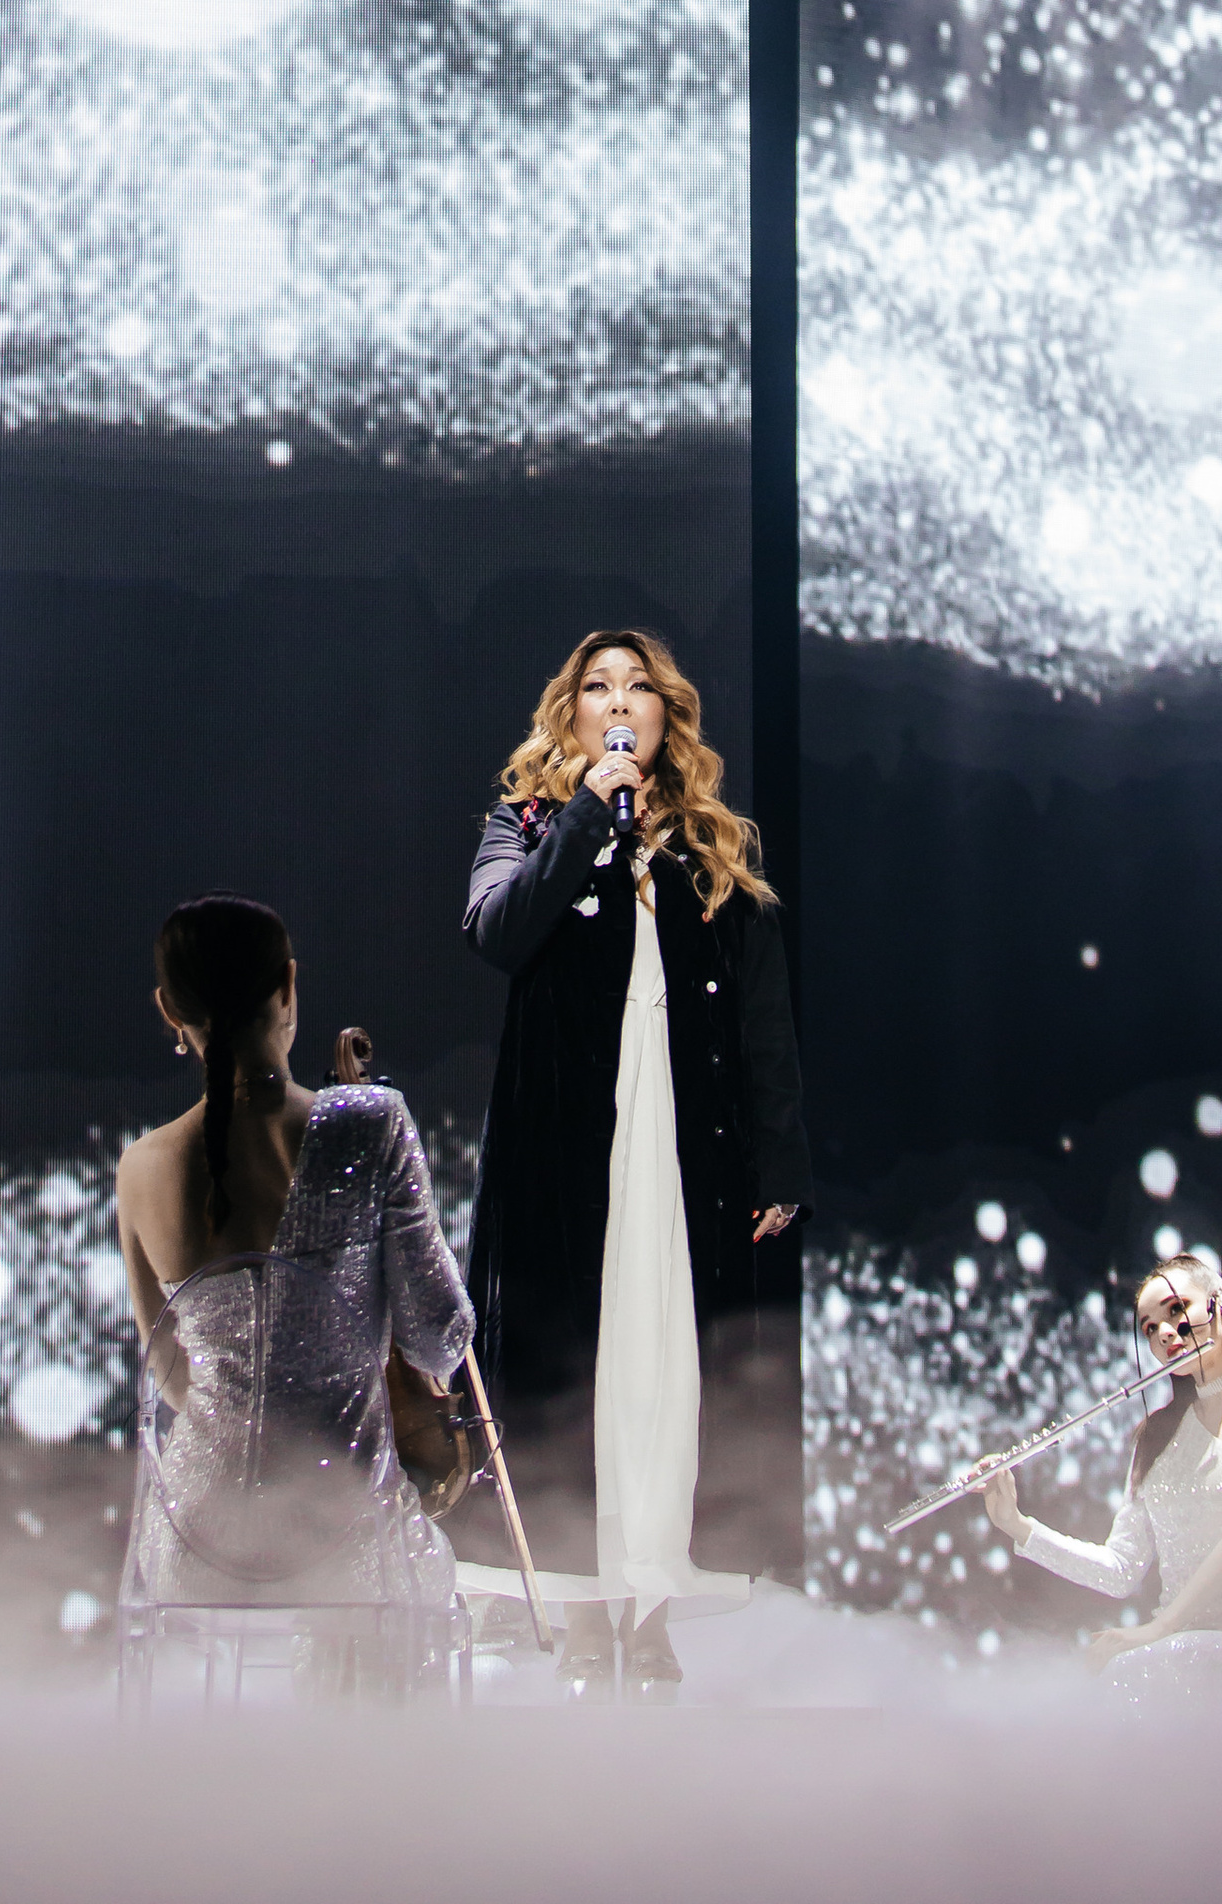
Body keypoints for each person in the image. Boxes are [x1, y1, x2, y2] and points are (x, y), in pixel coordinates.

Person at [464, 630, 807, 1702]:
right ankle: (573, 1608)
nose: (619, 705)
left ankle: (649, 1612)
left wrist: (778, 1156)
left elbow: (762, 1017)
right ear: (571, 714)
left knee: (667, 1366)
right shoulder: (523, 824)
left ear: (668, 715)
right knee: (577, 1364)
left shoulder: (711, 846)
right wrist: (580, 822)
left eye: (638, 689)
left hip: (682, 1142)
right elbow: (495, 933)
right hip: (568, 1148)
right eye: (598, 689)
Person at [115, 894, 476, 1682]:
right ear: (287, 986)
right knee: (449, 1598)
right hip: (339, 1537)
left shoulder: (140, 1166)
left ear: (169, 1009)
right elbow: (438, 1336)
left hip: (196, 1545)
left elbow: (170, 1377)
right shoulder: (370, 1123)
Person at [985, 1252, 1222, 1701]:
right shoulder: (1156, 1436)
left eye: (1176, 1309)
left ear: (1221, 1305)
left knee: (1151, 1671)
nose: (1164, 1332)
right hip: (1178, 1655)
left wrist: (1160, 1629)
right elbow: (1121, 1569)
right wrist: (1018, 1526)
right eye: (1149, 1327)